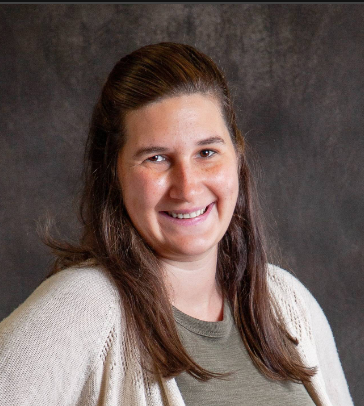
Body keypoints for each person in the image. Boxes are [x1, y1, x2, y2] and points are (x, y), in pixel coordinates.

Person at [0, 42, 353, 406]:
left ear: (237, 157)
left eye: (207, 152)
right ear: (114, 173)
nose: (187, 187)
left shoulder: (288, 303)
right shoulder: (83, 307)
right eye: (156, 158)